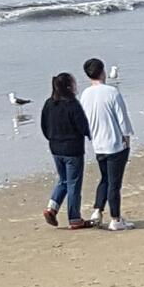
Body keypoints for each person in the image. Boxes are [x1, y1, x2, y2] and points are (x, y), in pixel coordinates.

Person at [79, 57, 134, 230]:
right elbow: (122, 119)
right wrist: (127, 138)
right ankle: (115, 219)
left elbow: (84, 119)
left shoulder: (85, 94)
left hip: (98, 144)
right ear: (102, 72)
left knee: (105, 178)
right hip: (114, 144)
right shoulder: (112, 92)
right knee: (114, 183)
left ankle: (97, 210)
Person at [39, 71, 90, 229]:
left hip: (55, 148)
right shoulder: (72, 104)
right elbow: (83, 125)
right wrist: (91, 135)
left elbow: (44, 126)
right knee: (73, 183)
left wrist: (52, 138)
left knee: (63, 180)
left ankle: (51, 208)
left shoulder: (49, 103)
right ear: (69, 87)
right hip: (72, 149)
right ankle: (74, 218)